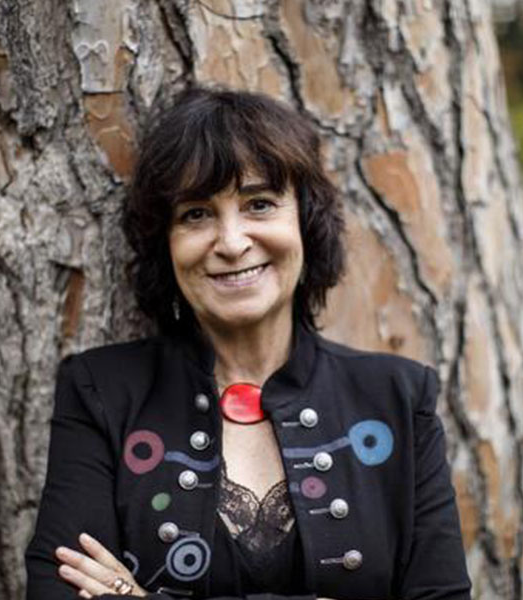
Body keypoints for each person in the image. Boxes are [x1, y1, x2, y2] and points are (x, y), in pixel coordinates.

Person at [25, 87, 471, 600]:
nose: (232, 243)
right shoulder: (100, 391)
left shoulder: (398, 399)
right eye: (196, 214)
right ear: (164, 243)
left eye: (259, 204)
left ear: (305, 220)